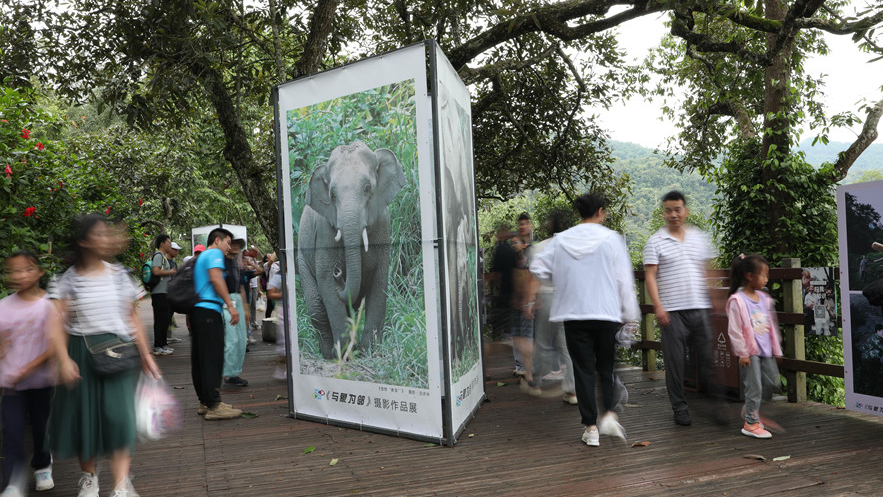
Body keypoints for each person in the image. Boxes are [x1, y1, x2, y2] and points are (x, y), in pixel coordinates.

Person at [48, 214, 162, 497]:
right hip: (81, 353)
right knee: (84, 419)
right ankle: (89, 479)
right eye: (98, 234)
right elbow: (56, 324)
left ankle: (121, 485)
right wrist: (63, 359)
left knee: (119, 418)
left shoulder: (120, 274)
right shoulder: (67, 279)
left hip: (118, 353)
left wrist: (146, 355)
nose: (105, 238)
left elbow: (131, 317)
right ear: (84, 241)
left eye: (106, 233)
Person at [530, 193, 640, 447]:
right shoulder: (611, 239)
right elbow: (624, 280)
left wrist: (561, 281)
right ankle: (609, 415)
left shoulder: (562, 239)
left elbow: (537, 267)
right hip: (606, 313)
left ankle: (591, 428)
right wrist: (630, 315)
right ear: (600, 211)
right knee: (606, 367)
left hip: (574, 313)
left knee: (583, 369)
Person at [642, 190, 719, 427]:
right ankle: (680, 408)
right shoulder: (655, 241)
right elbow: (650, 276)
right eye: (668, 210)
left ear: (686, 211)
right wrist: (658, 306)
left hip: (699, 307)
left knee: (708, 357)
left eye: (677, 209)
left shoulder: (698, 237)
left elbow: (707, 270)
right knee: (675, 363)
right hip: (672, 311)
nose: (673, 214)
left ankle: (717, 405)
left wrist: (714, 298)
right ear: (663, 213)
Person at [0, 251, 59, 495]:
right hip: (11, 384)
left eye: (27, 269)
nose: (21, 275)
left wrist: (28, 368)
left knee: (40, 427)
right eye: (14, 270)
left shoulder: (47, 306)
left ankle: (42, 465)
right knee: (12, 430)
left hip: (41, 382)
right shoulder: (3, 306)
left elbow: (54, 346)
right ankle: (13, 480)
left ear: (39, 272)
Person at [726, 254, 783, 439]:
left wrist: (777, 349)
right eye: (763, 275)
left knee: (773, 382)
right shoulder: (737, 301)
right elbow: (734, 330)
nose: (766, 279)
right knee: (754, 386)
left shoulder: (764, 298)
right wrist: (742, 353)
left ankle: (750, 408)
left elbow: (772, 325)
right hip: (750, 352)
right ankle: (750, 423)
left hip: (767, 350)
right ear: (749, 276)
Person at [526, 209, 578, 404]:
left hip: (547, 297)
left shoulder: (540, 248)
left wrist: (530, 301)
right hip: (568, 298)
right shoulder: (573, 248)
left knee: (543, 342)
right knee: (567, 346)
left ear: (550, 226)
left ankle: (536, 384)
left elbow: (534, 277)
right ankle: (572, 391)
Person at [191, 228, 243, 420]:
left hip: (198, 311)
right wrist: (230, 305)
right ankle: (214, 405)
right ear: (217, 240)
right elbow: (215, 278)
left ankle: (205, 401)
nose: (229, 247)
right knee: (212, 358)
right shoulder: (214, 254)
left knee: (201, 359)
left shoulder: (202, 257)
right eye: (228, 242)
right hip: (209, 312)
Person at [222, 238, 249, 387]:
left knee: (240, 339)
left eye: (239, 245)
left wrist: (245, 308)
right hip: (226, 301)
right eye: (234, 244)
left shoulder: (236, 264)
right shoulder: (221, 262)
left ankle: (234, 372)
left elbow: (241, 288)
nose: (236, 247)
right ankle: (228, 374)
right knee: (231, 338)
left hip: (237, 300)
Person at [150, 234, 176, 356]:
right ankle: (158, 346)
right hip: (159, 293)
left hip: (163, 292)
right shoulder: (158, 255)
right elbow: (155, 271)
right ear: (162, 244)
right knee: (160, 320)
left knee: (164, 320)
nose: (170, 245)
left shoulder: (163, 257)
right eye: (169, 242)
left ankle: (163, 345)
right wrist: (170, 272)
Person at [167, 242, 182, 344]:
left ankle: (169, 336)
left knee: (170, 315)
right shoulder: (165, 262)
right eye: (175, 250)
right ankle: (165, 337)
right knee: (166, 316)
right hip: (165, 293)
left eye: (177, 250)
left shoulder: (174, 263)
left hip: (172, 293)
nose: (177, 252)